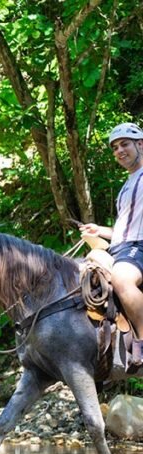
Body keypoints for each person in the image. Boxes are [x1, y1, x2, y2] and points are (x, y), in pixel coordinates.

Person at [81, 122, 143, 338]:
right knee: (76, 274)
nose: (119, 151)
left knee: (122, 279)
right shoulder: (126, 186)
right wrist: (99, 231)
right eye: (115, 147)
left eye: (124, 144)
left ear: (141, 144)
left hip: (139, 248)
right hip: (120, 248)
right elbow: (124, 229)